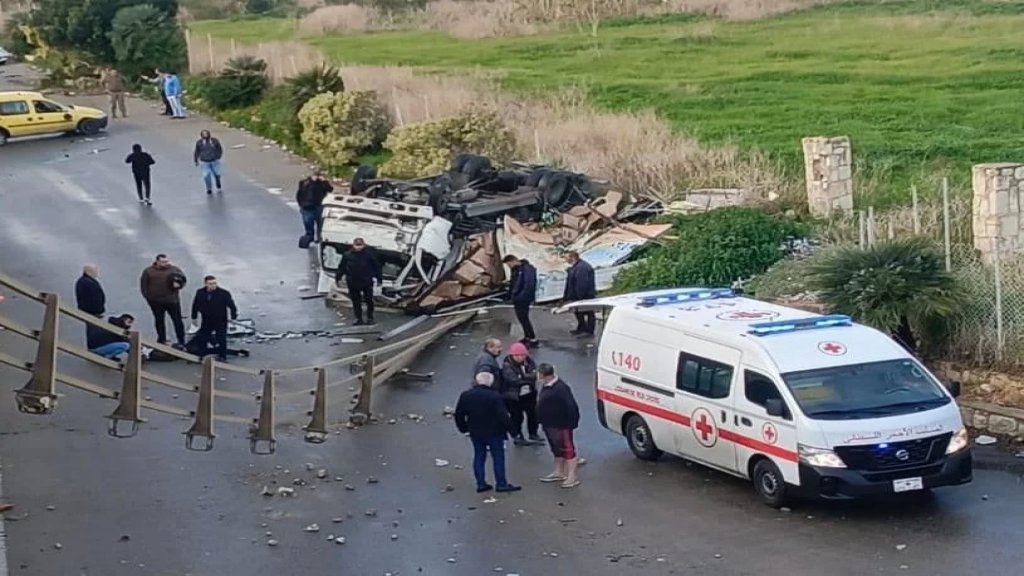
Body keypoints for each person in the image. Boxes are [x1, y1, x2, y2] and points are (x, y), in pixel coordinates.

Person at [454, 371, 522, 494]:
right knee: (498, 457)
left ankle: (481, 483)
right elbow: (503, 416)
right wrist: (513, 431)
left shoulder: (466, 395)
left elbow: (459, 414)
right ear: (491, 382)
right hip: (495, 432)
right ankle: (501, 483)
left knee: (479, 456)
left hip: (475, 431)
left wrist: (463, 428)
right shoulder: (495, 397)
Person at [536, 362, 581, 488]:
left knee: (568, 449)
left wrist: (571, 423)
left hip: (562, 424)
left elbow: (571, 406)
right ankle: (559, 472)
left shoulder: (561, 388)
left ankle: (572, 476)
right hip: (549, 424)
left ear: (544, 375)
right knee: (556, 448)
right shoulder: (546, 386)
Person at [140, 254, 188, 347]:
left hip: (172, 301)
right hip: (156, 302)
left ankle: (181, 341)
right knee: (159, 320)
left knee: (177, 321)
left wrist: (179, 285)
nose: (165, 263)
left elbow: (183, 280)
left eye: (166, 261)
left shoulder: (174, 270)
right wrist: (148, 298)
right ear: (157, 261)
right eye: (163, 262)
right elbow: (144, 285)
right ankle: (162, 339)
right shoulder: (148, 271)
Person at [501, 341, 542, 446]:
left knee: (533, 415)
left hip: (529, 394)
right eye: (517, 355)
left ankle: (533, 433)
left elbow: (535, 374)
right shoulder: (507, 365)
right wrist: (527, 378)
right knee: (517, 417)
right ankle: (518, 436)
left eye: (522, 355)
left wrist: (523, 377)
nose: (520, 357)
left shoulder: (529, 361)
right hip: (514, 397)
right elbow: (513, 380)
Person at [334, 237, 382, 325]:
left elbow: (377, 268)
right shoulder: (347, 255)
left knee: (369, 300)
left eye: (360, 245)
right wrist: (338, 278)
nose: (358, 247)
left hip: (366, 281)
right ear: (353, 245)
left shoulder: (369, 255)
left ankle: (370, 318)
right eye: (357, 245)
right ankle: (358, 318)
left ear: (364, 245)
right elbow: (342, 267)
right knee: (356, 301)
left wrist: (379, 279)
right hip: (353, 282)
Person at [190, 275, 238, 362]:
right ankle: (201, 354)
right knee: (203, 337)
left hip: (220, 320)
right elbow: (195, 305)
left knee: (221, 338)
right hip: (207, 319)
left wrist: (234, 317)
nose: (213, 285)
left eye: (214, 283)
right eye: (210, 284)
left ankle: (222, 356)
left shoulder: (224, 293)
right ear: (205, 284)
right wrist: (194, 317)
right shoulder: (200, 292)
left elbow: (232, 306)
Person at [502, 254, 538, 348]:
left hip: (523, 298)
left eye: (508, 264)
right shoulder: (516, 270)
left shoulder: (527, 269)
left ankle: (532, 338)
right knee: (521, 318)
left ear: (513, 261)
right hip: (517, 298)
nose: (509, 266)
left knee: (524, 318)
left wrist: (521, 296)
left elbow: (528, 284)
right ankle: (527, 337)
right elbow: (514, 283)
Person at [564, 250, 597, 336]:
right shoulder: (576, 267)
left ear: (573, 257)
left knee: (589, 312)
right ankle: (582, 328)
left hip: (585, 295)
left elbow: (582, 283)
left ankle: (589, 331)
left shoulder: (582, 267)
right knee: (579, 312)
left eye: (566, 257)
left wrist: (579, 296)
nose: (565, 259)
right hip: (578, 295)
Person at [296, 169, 334, 242]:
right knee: (308, 222)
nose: (316, 177)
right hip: (307, 206)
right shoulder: (305, 183)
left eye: (317, 175)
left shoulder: (322, 183)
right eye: (314, 175)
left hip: (319, 206)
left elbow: (330, 189)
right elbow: (299, 194)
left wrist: (325, 182)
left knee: (321, 223)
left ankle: (320, 238)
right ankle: (310, 236)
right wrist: (301, 205)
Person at [194, 130, 224, 195]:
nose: (205, 135)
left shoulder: (214, 141)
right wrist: (196, 160)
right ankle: (209, 189)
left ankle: (218, 182)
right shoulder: (199, 143)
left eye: (206, 134)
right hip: (204, 162)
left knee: (217, 173)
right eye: (203, 134)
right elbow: (197, 152)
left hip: (214, 161)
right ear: (201, 135)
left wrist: (218, 156)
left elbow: (219, 149)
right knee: (206, 176)